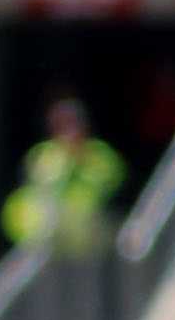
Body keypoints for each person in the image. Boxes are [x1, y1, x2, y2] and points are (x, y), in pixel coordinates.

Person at [7, 98, 127, 257]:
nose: (69, 130)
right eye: (62, 125)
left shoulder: (100, 153)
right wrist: (65, 163)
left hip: (89, 239)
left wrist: (83, 161)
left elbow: (114, 182)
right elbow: (37, 187)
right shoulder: (43, 154)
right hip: (52, 240)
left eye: (72, 123)